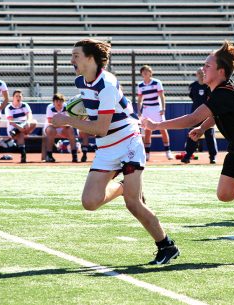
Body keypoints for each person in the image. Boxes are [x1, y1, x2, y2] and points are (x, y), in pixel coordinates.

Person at [143, 41, 234, 262]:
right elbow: (214, 116)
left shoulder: (224, 93)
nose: (203, 69)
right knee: (225, 194)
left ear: (220, 71)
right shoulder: (220, 91)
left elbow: (191, 117)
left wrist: (155, 126)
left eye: (207, 65)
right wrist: (202, 128)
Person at [51, 39, 179, 264]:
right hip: (106, 147)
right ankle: (121, 187)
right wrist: (80, 114)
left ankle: (167, 246)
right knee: (90, 202)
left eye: (76, 55)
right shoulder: (81, 81)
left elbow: (100, 127)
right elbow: (96, 120)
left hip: (128, 142)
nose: (71, 60)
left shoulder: (107, 84)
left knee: (133, 203)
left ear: (90, 59)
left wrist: (68, 120)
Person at [137, 65, 173, 161]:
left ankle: (168, 151)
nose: (145, 72)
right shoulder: (140, 85)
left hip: (157, 109)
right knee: (147, 131)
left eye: (147, 71)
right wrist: (139, 111)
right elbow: (139, 100)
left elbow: (162, 96)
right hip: (146, 110)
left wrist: (163, 108)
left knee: (163, 129)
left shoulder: (157, 82)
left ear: (151, 73)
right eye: (143, 71)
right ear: (141, 74)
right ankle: (147, 153)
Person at [182, 68, 218, 164]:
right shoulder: (193, 86)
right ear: (196, 74)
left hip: (207, 114)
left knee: (209, 135)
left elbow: (210, 99)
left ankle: (212, 156)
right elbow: (193, 97)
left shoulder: (208, 86)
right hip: (195, 114)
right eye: (199, 73)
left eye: (202, 73)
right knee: (192, 135)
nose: (201, 75)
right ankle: (188, 156)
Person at [4, 90, 37, 163]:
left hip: (25, 127)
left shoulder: (25, 105)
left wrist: (28, 122)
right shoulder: (8, 107)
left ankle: (23, 154)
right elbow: (11, 122)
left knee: (34, 122)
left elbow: (29, 115)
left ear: (22, 97)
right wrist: (19, 128)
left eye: (20, 96)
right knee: (20, 134)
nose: (18, 98)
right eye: (16, 96)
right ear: (13, 97)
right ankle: (23, 155)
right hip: (12, 128)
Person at [44, 93, 78, 163]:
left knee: (70, 130)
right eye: (57, 101)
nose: (59, 103)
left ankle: (74, 155)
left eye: (60, 101)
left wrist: (62, 124)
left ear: (63, 101)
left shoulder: (67, 107)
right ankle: (49, 155)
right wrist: (62, 123)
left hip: (63, 128)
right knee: (51, 130)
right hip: (51, 127)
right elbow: (50, 121)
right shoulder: (50, 107)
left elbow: (69, 121)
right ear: (53, 102)